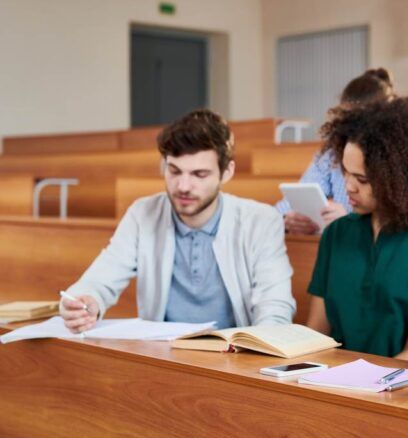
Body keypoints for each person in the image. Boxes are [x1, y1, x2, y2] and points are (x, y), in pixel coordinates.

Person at [60, 109, 295, 333]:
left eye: (199, 175)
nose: (183, 186)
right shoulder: (143, 213)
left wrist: (261, 350)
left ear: (227, 172)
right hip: (165, 358)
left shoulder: (261, 221)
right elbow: (100, 278)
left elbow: (275, 309)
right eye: (174, 171)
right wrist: (87, 301)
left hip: (234, 358)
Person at [306, 96, 408, 361]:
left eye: (362, 179)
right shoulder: (337, 234)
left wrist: (362, 387)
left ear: (399, 178)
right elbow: (315, 334)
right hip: (331, 384)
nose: (348, 187)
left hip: (398, 390)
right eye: (345, 173)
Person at [277, 68, 395, 235]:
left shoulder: (396, 159)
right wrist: (287, 220)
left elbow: (399, 230)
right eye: (347, 120)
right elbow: (286, 206)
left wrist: (350, 222)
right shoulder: (331, 153)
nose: (349, 186)